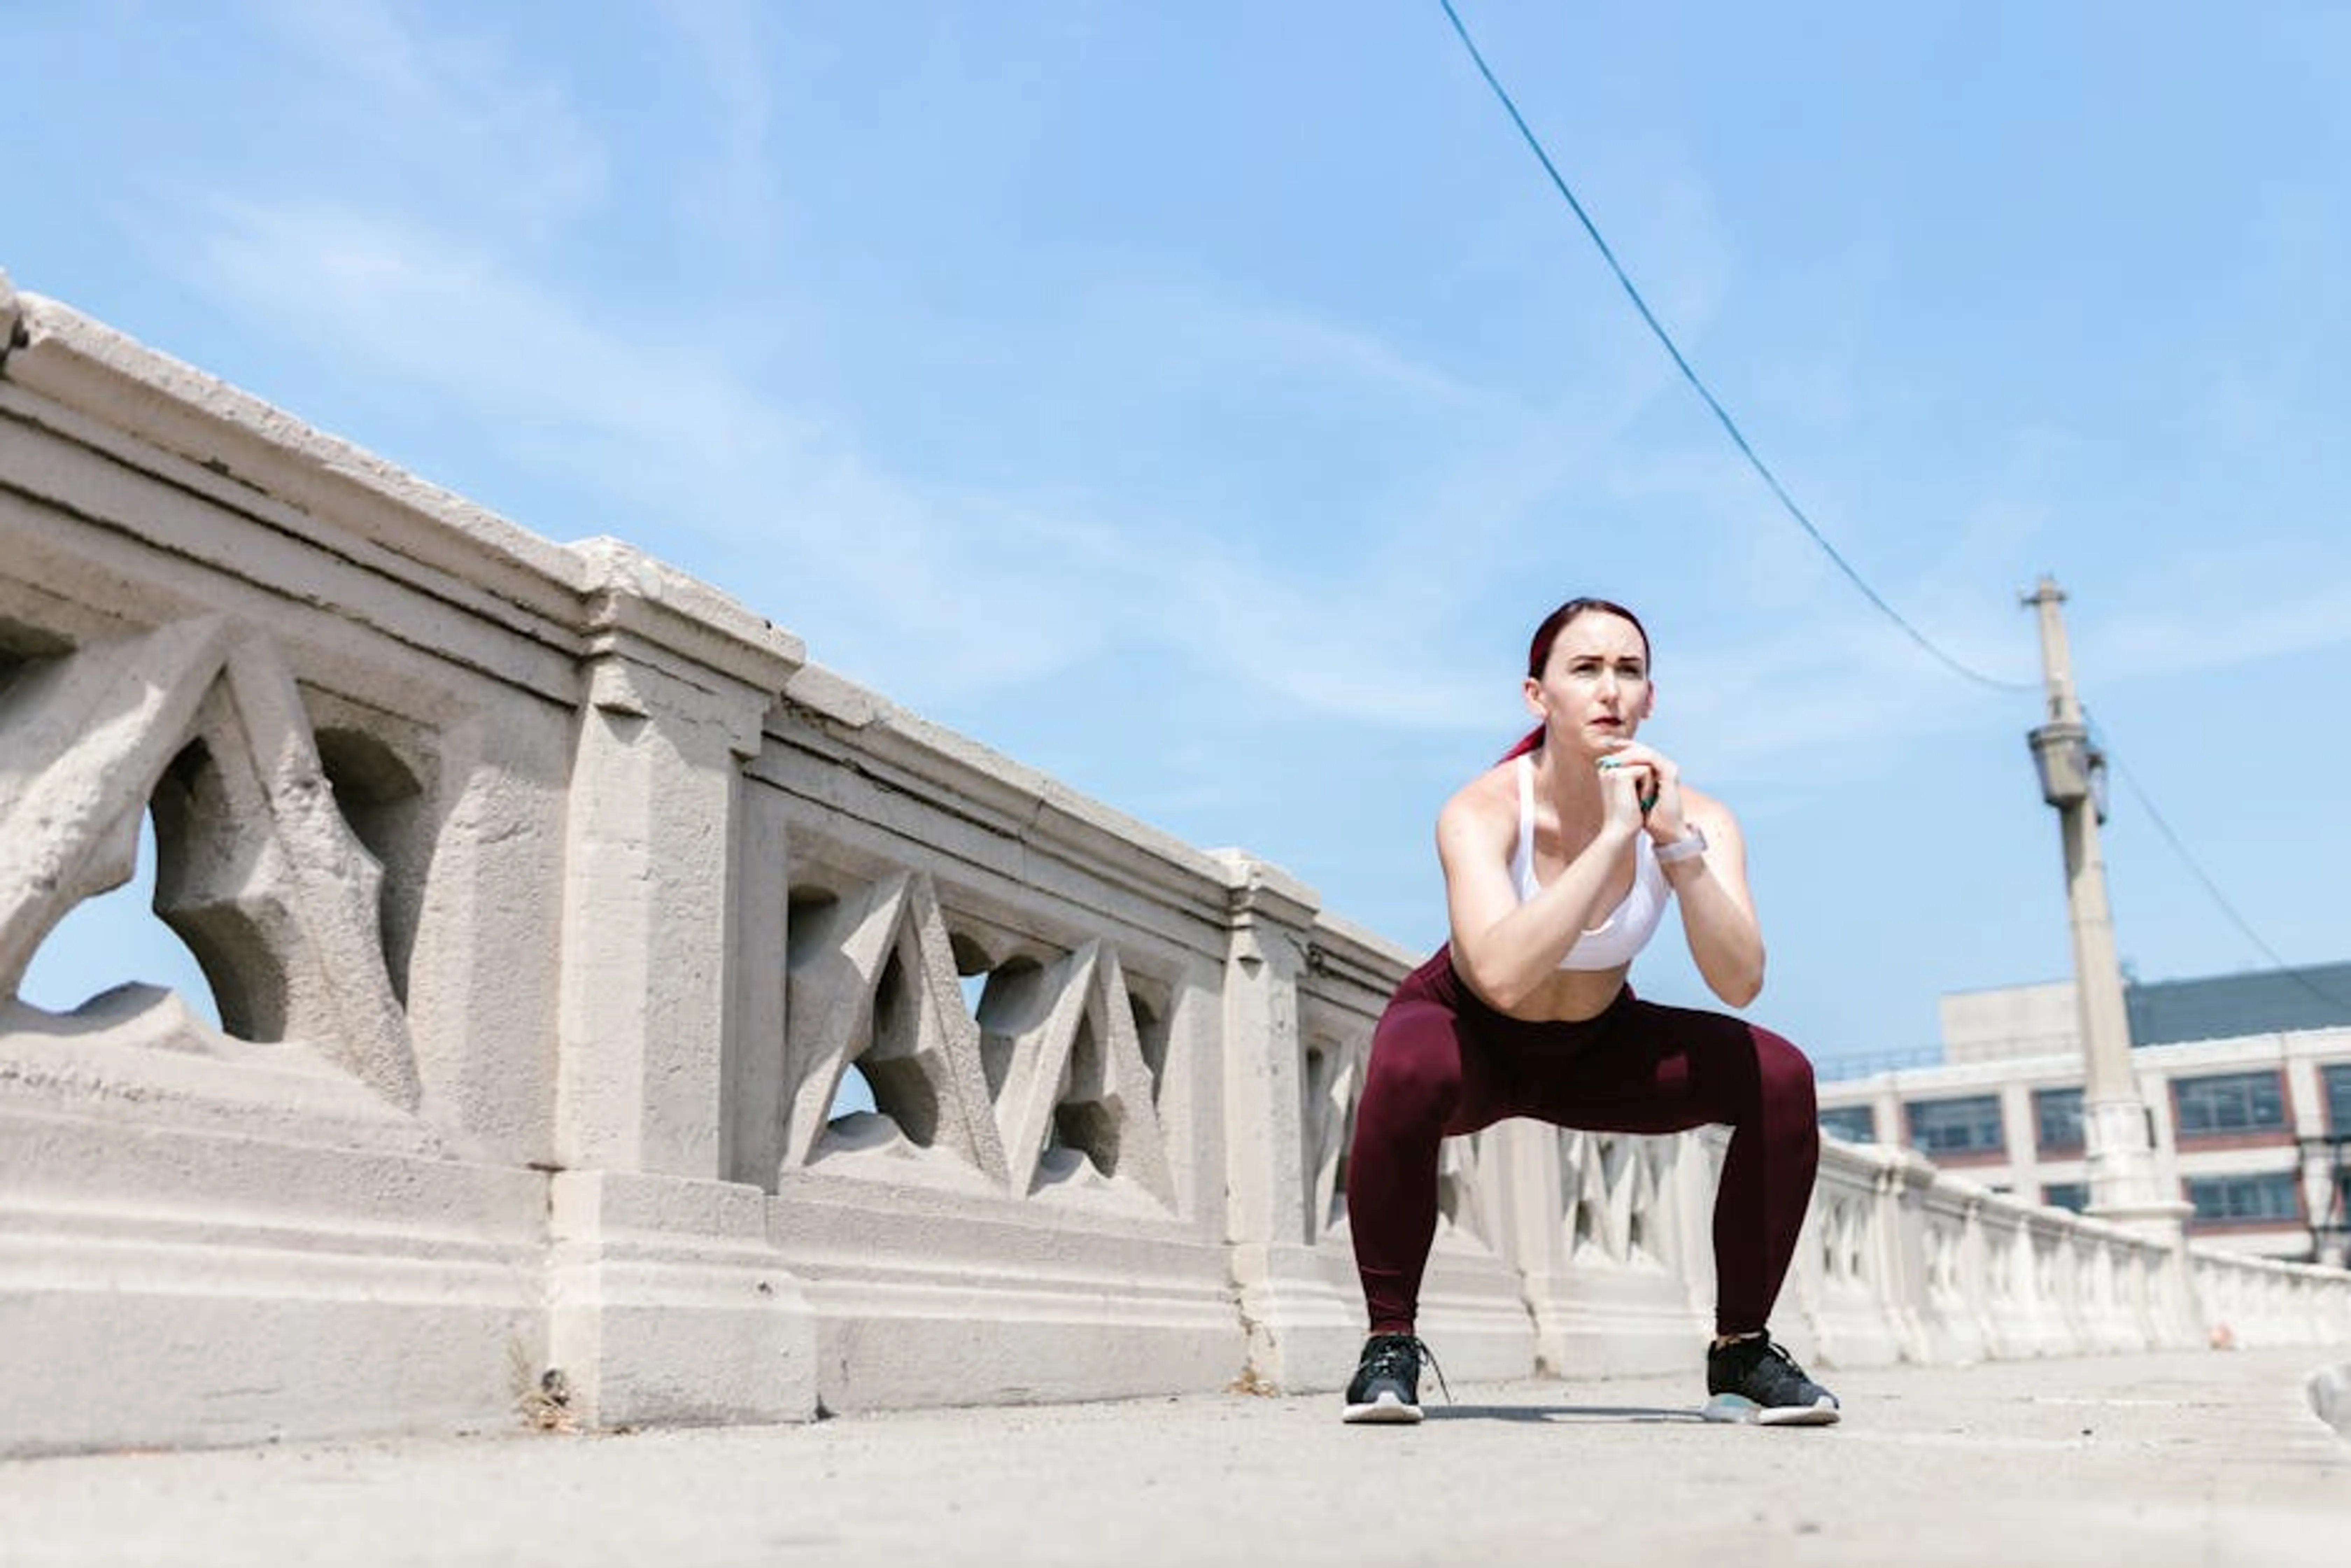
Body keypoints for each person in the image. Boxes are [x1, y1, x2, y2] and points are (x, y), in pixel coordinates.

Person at [1340, 596, 1838, 1427]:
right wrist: (1613, 838)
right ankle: (1388, 1346)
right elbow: (1498, 974)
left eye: (1629, 670)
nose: (1610, 689)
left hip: (1599, 1048)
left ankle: (1742, 1352)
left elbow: (1740, 979)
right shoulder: (1483, 810)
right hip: (1472, 1038)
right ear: (1539, 697)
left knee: (1779, 1075)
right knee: (1405, 1061)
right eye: (1586, 670)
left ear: (1651, 697)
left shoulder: (1700, 818)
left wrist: (1672, 846)